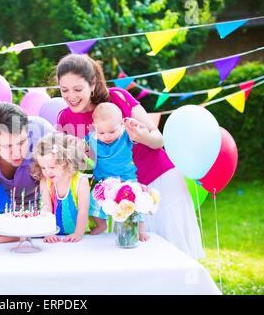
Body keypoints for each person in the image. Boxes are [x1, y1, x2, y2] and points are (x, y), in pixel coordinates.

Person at [56, 53, 205, 259]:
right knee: (134, 255)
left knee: (174, 250)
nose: (71, 96)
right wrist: (74, 153)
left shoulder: (118, 97)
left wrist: (141, 136)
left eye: (77, 89)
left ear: (92, 84)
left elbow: (158, 139)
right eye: (64, 90)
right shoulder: (65, 118)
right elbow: (77, 169)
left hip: (158, 180)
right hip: (121, 196)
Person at [86, 102, 149, 241]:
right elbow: (83, 152)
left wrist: (135, 125)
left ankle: (141, 229)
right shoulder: (91, 139)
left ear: (122, 125)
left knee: (136, 202)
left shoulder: (127, 135)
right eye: (101, 132)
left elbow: (142, 132)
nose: (107, 136)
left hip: (126, 179)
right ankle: (101, 224)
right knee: (94, 203)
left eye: (112, 131)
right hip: (103, 182)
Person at [0, 102, 55, 207]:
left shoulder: (43, 134)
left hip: (43, 205)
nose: (17, 154)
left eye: (22, 142)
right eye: (8, 146)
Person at [31, 132, 90, 243]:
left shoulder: (81, 180)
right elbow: (46, 209)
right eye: (43, 168)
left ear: (65, 161)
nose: (47, 172)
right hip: (56, 235)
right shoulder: (45, 182)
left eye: (52, 167)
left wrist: (78, 233)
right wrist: (48, 233)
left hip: (80, 235)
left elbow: (83, 210)